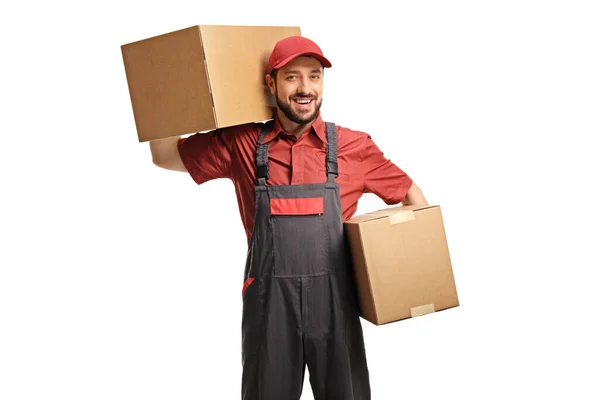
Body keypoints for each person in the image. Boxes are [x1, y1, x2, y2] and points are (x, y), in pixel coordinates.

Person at [149, 35, 428, 400]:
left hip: (335, 305)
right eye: (293, 77)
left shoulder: (352, 146)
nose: (305, 88)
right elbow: (165, 156)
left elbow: (414, 200)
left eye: (314, 76)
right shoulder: (243, 143)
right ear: (272, 83)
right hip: (269, 307)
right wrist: (159, 86)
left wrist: (398, 269)